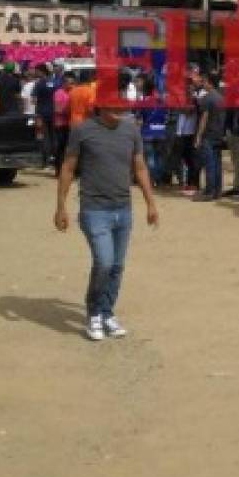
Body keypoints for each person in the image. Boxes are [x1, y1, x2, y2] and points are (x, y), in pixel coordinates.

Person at [55, 98, 159, 342]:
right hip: (94, 208)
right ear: (99, 104)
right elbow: (68, 168)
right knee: (104, 261)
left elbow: (140, 167)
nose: (118, 110)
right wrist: (60, 207)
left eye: (121, 105)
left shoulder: (131, 129)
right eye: (112, 104)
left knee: (117, 266)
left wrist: (151, 203)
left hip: (123, 208)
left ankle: (107, 312)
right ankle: (93, 313)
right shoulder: (82, 131)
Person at [193, 70, 226, 201]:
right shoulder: (221, 97)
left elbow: (203, 119)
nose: (203, 83)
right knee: (217, 162)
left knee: (209, 163)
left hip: (208, 134)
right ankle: (217, 190)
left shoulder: (207, 98)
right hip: (218, 133)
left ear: (210, 83)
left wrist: (198, 136)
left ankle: (210, 190)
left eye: (204, 81)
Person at [137, 75, 169, 187]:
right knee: (159, 157)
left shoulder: (143, 101)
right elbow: (166, 116)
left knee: (150, 157)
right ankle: (159, 179)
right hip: (160, 130)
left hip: (148, 131)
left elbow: (140, 118)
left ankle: (152, 179)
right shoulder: (161, 101)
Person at [32, 65, 57, 167]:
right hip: (55, 113)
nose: (35, 73)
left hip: (42, 113)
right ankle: (55, 158)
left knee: (44, 137)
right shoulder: (55, 82)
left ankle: (46, 160)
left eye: (37, 71)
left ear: (42, 71)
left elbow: (33, 100)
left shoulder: (39, 84)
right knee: (54, 136)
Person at [52, 72, 74, 172]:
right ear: (64, 83)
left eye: (72, 83)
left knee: (68, 148)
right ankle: (58, 169)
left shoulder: (72, 92)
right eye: (69, 83)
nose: (71, 85)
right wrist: (68, 111)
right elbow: (57, 109)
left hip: (69, 124)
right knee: (60, 147)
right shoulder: (59, 93)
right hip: (60, 124)